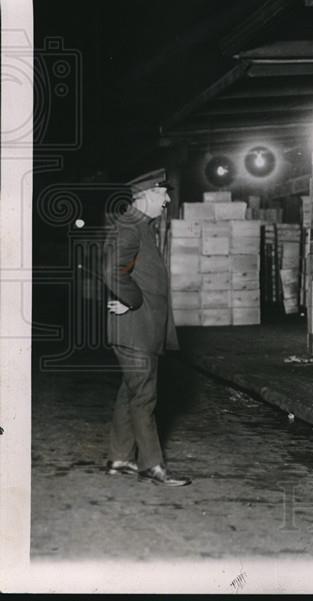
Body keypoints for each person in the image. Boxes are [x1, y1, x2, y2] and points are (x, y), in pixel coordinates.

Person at [103, 169, 191, 487]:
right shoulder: (131, 227)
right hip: (135, 328)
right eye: (163, 193)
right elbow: (113, 271)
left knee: (132, 392)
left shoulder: (141, 226)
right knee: (145, 397)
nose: (167, 200)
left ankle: (119, 457)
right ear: (146, 195)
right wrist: (133, 300)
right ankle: (152, 466)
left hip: (140, 328)